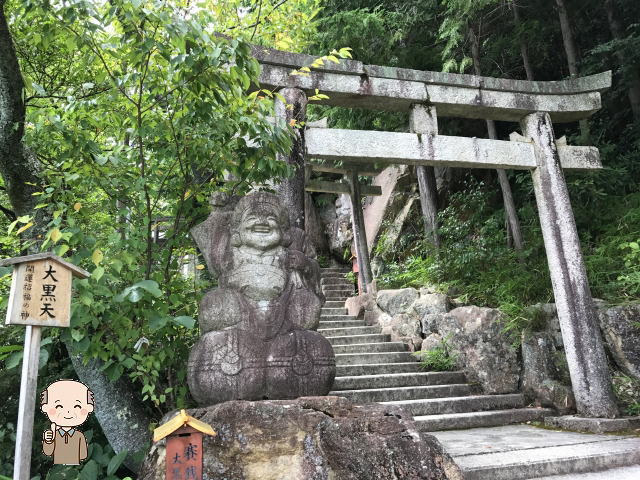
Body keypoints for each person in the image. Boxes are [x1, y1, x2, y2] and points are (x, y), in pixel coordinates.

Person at [40, 379, 94, 465]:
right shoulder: (55, 435)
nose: (68, 411)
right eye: (59, 406)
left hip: (74, 467)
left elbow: (83, 455)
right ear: (46, 408)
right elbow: (48, 452)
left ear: (88, 408)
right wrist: (48, 440)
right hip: (61, 468)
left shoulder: (79, 435)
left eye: (77, 406)